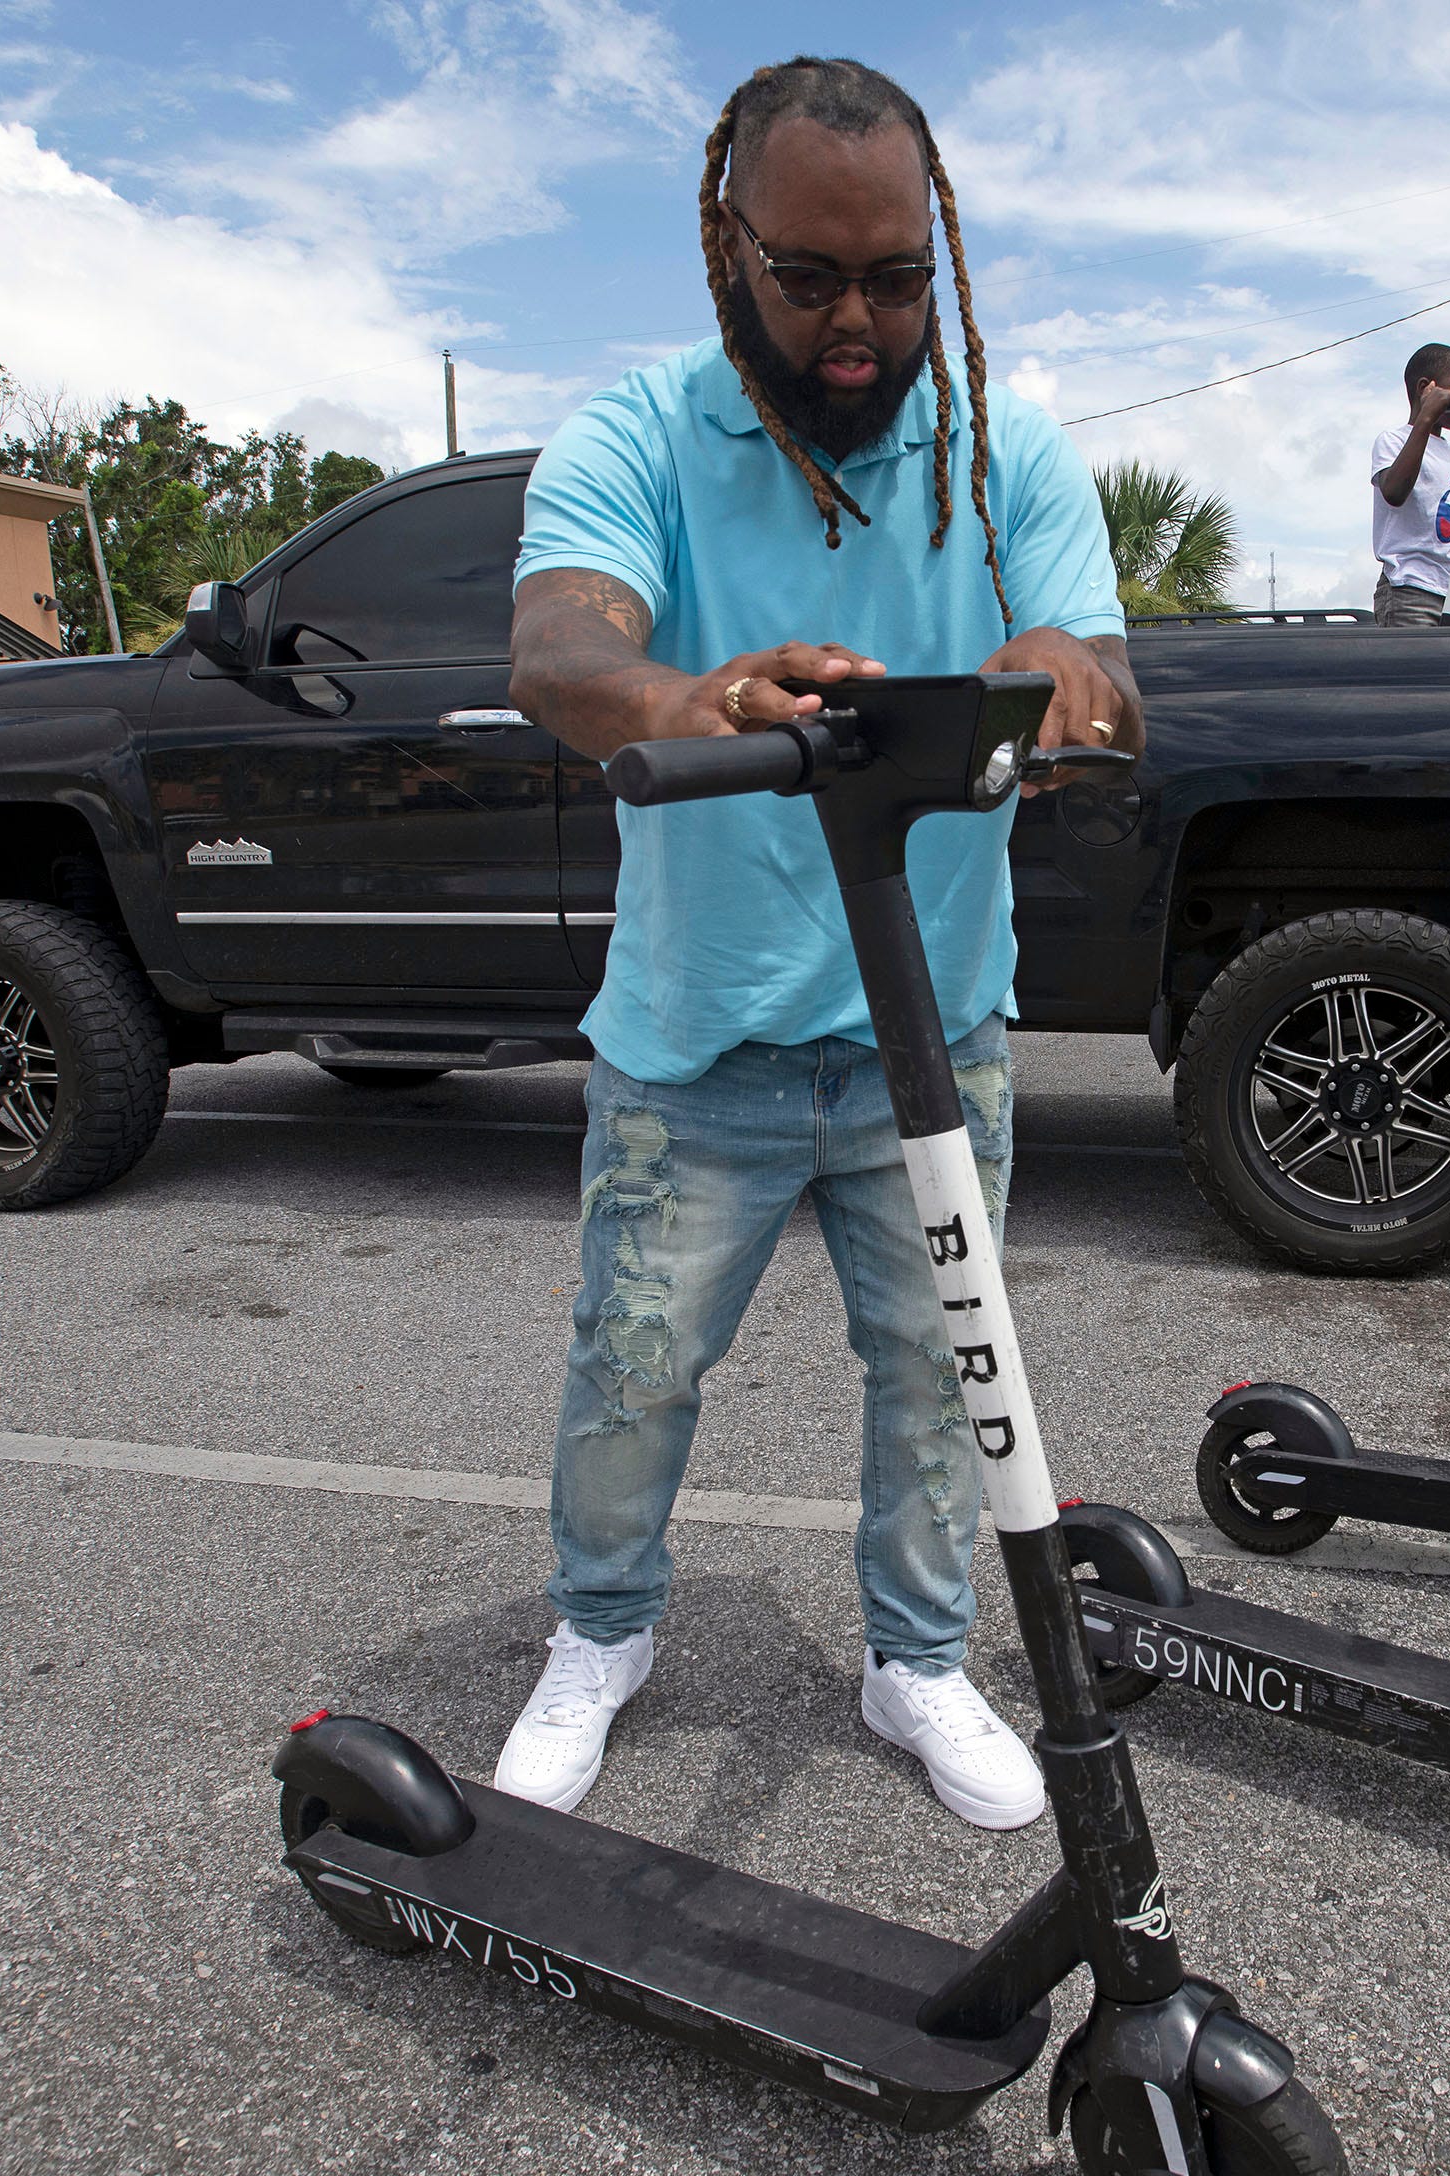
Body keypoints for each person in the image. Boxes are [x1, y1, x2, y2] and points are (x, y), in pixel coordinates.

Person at [498, 56, 1138, 1832]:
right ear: (729, 248)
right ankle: (601, 1635)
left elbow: (1086, 650)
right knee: (634, 1361)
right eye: (810, 278)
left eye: (898, 278)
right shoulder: (635, 433)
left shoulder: (1009, 448)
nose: (858, 324)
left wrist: (1076, 670)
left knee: (947, 1375)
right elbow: (558, 644)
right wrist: (680, 694)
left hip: (935, 1038)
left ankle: (917, 1658)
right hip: (694, 1038)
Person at [1370, 343, 1450, 627]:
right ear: (1426, 388)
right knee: (1414, 670)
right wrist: (1427, 416)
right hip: (1408, 588)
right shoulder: (1393, 441)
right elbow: (1395, 492)